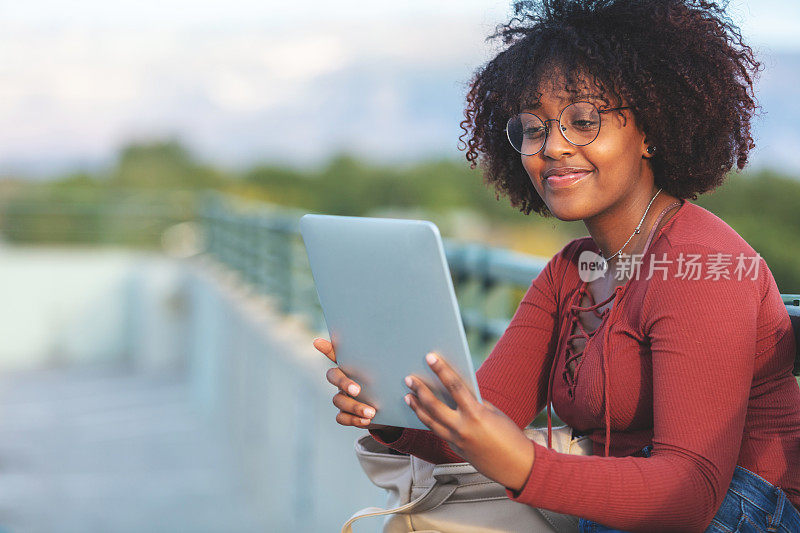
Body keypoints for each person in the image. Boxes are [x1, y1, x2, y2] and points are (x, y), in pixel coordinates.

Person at [313, 0, 800, 531]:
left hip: (743, 510)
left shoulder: (704, 268)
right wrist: (389, 409)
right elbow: (479, 422)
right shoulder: (574, 272)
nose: (553, 147)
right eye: (533, 128)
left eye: (583, 122)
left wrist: (523, 464)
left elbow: (689, 495)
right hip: (623, 500)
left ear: (650, 130)